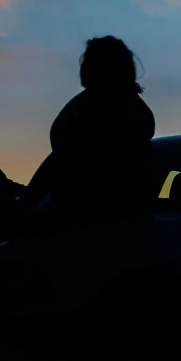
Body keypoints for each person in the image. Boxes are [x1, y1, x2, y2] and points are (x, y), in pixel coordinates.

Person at [47, 35, 155, 224]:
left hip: (91, 220)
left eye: (88, 59)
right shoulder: (124, 106)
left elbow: (67, 160)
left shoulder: (106, 108)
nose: (82, 65)